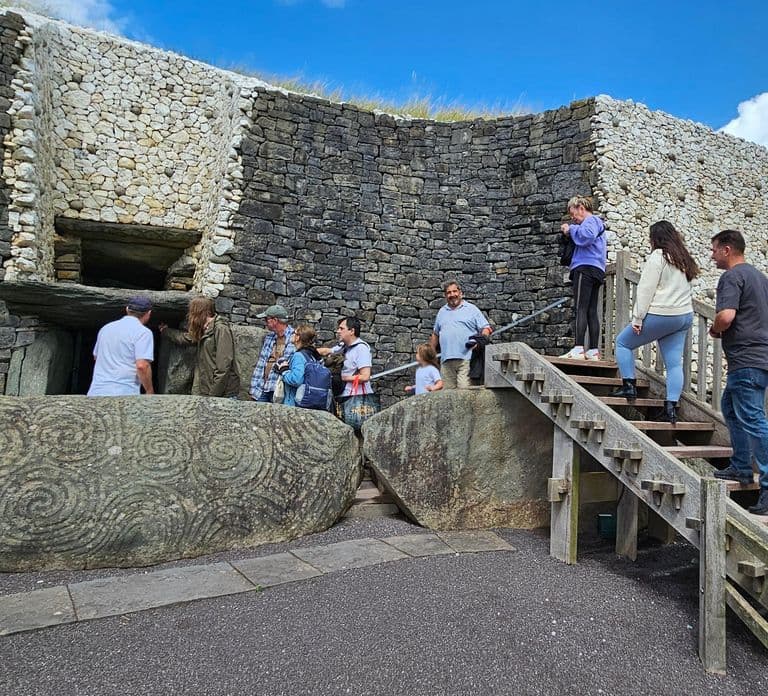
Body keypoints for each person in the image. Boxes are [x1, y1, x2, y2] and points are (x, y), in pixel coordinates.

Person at [610, 221, 698, 423]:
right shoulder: (683, 258)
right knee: (674, 363)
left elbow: (645, 289)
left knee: (623, 343)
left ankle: (629, 386)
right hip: (683, 316)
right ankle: (671, 409)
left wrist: (638, 317)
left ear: (654, 238)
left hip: (662, 314)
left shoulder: (658, 257)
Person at [709, 230, 768, 515]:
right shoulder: (760, 278)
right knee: (730, 408)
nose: (712, 255)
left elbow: (727, 315)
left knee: (754, 421)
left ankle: (766, 486)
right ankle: (742, 468)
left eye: (714, 250)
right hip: (759, 358)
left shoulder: (732, 277)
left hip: (745, 359)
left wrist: (715, 327)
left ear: (727, 249)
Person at [159, 296, 240, 398]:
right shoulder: (204, 329)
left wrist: (213, 395)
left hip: (223, 393)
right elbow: (185, 338)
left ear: (203, 313)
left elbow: (224, 366)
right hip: (207, 390)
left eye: (193, 313)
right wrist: (166, 331)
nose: (190, 317)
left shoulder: (221, 329)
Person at [559, 195, 607, 360]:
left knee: (580, 307)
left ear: (581, 207)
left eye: (574, 215)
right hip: (597, 269)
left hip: (584, 268)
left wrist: (569, 229)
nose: (574, 219)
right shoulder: (596, 222)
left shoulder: (590, 221)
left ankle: (579, 348)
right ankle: (593, 350)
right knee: (591, 310)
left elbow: (587, 236)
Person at [87, 296, 155, 396]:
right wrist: (149, 391)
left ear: (127, 309)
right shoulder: (143, 332)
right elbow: (142, 366)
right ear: (148, 314)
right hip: (124, 392)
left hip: (96, 391)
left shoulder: (106, 328)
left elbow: (96, 357)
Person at [429, 280, 491, 389]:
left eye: (454, 291)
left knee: (464, 394)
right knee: (447, 396)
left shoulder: (472, 309)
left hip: (466, 360)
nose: (452, 295)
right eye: (449, 292)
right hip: (446, 361)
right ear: (445, 295)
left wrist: (480, 342)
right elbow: (435, 334)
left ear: (460, 292)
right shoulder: (442, 312)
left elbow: (486, 328)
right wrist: (431, 353)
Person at [319, 316, 374, 400]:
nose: (338, 331)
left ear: (352, 331)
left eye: (341, 329)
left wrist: (340, 378)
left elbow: (365, 376)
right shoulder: (342, 346)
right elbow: (327, 351)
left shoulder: (361, 349)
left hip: (356, 397)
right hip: (342, 395)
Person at [249, 304, 294, 402]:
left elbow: (285, 363)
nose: (265, 323)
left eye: (266, 319)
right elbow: (261, 363)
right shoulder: (269, 338)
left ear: (275, 320)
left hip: (279, 391)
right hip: (262, 389)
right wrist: (254, 388)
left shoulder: (294, 338)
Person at [277, 324, 324, 407]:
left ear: (298, 338)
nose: (291, 335)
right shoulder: (313, 356)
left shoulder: (298, 356)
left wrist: (283, 370)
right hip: (308, 402)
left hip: (294, 403)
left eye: (294, 333)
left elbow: (296, 380)